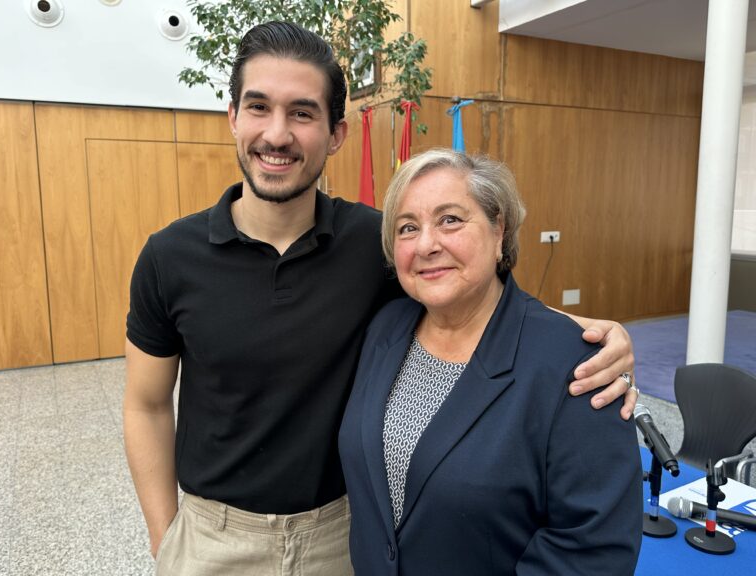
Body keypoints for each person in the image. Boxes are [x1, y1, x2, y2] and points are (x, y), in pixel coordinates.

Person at [123, 21, 638, 576]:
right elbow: (147, 404)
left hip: (342, 536)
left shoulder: (377, 244)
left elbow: (474, 289)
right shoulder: (168, 257)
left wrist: (591, 336)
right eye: (258, 107)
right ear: (232, 117)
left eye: (302, 112)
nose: (277, 134)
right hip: (213, 538)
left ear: (336, 133)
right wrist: (165, 535)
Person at [339, 149, 643, 575]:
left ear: (499, 228)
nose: (427, 244)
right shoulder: (386, 328)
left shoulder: (575, 365)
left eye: (450, 220)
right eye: (408, 228)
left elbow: (592, 550)